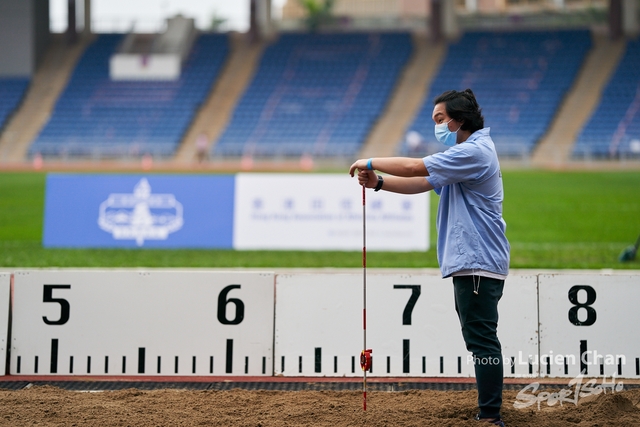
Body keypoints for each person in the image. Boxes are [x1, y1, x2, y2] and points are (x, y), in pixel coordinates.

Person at [349, 89, 510, 427]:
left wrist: (369, 161)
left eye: (440, 120)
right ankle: (489, 411)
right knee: (479, 338)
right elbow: (422, 182)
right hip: (475, 261)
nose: (437, 127)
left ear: (459, 120)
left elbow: (413, 166)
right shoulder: (465, 153)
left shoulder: (473, 152)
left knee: (481, 341)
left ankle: (491, 416)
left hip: (478, 261)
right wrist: (378, 183)